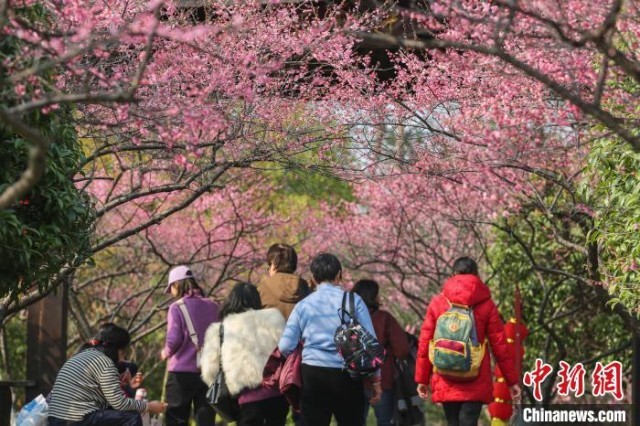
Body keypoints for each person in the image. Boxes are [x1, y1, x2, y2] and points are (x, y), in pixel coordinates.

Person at [415, 257, 521, 426]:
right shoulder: (486, 304)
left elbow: (425, 341)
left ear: (453, 274)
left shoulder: (438, 302)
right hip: (475, 374)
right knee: (469, 421)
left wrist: (422, 378)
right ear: (476, 275)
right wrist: (512, 381)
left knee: (453, 422)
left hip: (445, 372)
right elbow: (500, 345)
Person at [278, 253, 382, 426]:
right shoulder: (354, 301)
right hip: (347, 373)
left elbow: (285, 345)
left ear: (313, 278)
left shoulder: (304, 305)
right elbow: (370, 342)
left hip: (313, 373)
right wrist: (376, 380)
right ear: (339, 275)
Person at [201, 282, 288, 426]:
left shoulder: (220, 330)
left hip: (247, 400)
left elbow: (209, 372)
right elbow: (287, 352)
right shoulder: (274, 319)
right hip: (277, 397)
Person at [48, 323, 166, 425]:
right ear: (118, 350)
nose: (123, 358)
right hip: (75, 420)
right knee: (132, 417)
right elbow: (119, 403)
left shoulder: (82, 356)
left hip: (56, 419)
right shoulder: (105, 362)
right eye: (124, 352)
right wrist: (149, 406)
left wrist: (118, 382)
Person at [161, 265, 219, 426]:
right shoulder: (213, 306)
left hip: (181, 373)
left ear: (176, 285)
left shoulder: (176, 308)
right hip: (208, 372)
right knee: (206, 417)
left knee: (176, 418)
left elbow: (173, 340)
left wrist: (165, 353)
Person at [352, 279, 410, 426]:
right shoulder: (384, 318)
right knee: (385, 421)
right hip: (382, 378)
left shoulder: (348, 319)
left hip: (353, 378)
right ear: (372, 296)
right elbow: (402, 350)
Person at [258, 243, 310, 320]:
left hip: (271, 331)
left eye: (268, 266)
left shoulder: (262, 288)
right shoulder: (305, 287)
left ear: (273, 264)